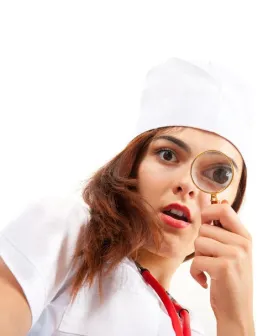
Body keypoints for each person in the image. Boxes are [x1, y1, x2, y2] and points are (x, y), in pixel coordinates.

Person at [0, 58, 256, 336]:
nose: (186, 184)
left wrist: (236, 318)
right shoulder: (66, 233)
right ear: (132, 165)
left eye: (218, 174)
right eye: (167, 155)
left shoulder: (195, 330)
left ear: (232, 204)